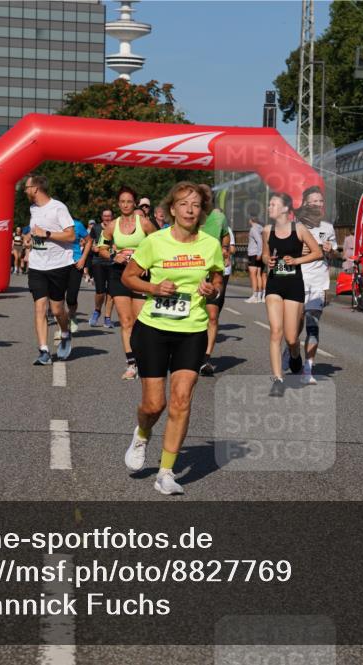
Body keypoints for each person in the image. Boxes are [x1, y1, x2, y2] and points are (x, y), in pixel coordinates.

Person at [121, 181, 224, 495]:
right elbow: (128, 277)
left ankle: (166, 472)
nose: (190, 210)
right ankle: (142, 434)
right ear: (172, 210)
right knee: (155, 404)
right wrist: (154, 288)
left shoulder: (210, 244)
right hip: (153, 329)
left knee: (181, 401)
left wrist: (211, 289)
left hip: (192, 330)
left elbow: (216, 278)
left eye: (196, 205)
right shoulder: (155, 241)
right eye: (184, 204)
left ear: (201, 211)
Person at [261, 192, 321, 397]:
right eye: (269, 204)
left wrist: (296, 261)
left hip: (294, 285)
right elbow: (265, 254)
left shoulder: (299, 229)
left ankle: (295, 355)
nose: (269, 207)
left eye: (273, 204)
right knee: (275, 331)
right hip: (274, 284)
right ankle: (277, 379)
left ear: (286, 208)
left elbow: (317, 252)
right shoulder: (267, 230)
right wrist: (267, 260)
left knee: (291, 337)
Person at [24, 174, 77, 365]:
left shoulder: (58, 207)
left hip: (58, 265)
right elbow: (35, 231)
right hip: (37, 265)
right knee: (40, 307)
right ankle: (44, 351)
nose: (25, 191)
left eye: (27, 188)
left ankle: (65, 332)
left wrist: (46, 234)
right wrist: (30, 238)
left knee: (57, 309)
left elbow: (71, 236)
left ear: (36, 188)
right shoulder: (33, 209)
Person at [110, 186, 159, 379]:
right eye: (122, 202)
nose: (125, 205)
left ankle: (144, 357)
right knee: (125, 321)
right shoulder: (112, 225)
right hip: (119, 275)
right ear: (118, 204)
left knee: (140, 321)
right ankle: (131, 364)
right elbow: (101, 246)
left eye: (129, 201)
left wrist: (149, 262)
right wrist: (113, 255)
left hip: (140, 276)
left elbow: (158, 244)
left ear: (134, 203)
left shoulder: (144, 223)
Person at [296, 186, 336, 385]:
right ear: (305, 204)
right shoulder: (295, 227)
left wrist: (330, 250)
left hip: (318, 283)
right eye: (314, 201)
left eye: (321, 201)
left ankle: (308, 368)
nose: (318, 204)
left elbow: (333, 255)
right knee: (294, 329)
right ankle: (292, 350)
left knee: (312, 325)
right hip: (296, 281)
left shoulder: (328, 228)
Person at [197, 185, 232, 377]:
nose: (204, 199)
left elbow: (225, 235)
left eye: (207, 196)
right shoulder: (190, 215)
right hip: (191, 270)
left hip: (214, 272)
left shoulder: (219, 217)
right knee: (194, 313)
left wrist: (225, 250)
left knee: (212, 315)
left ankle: (205, 359)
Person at [55, 215, 89, 340]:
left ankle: (72, 315)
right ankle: (61, 328)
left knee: (71, 297)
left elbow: (89, 241)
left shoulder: (77, 225)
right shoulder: (53, 225)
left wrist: (83, 259)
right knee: (58, 299)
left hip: (75, 263)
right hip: (58, 264)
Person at [89, 209, 115, 328]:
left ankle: (107, 318)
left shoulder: (116, 228)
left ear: (112, 217)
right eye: (105, 216)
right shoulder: (96, 228)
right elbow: (90, 243)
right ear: (102, 217)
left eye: (109, 216)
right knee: (100, 291)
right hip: (98, 262)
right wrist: (93, 248)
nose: (107, 218)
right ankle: (97, 310)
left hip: (112, 262)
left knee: (111, 291)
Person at [244, 215, 265, 303]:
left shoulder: (253, 229)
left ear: (250, 220)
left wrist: (259, 253)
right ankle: (260, 296)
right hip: (259, 253)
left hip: (254, 254)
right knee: (259, 275)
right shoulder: (261, 228)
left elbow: (259, 241)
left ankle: (255, 296)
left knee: (253, 275)